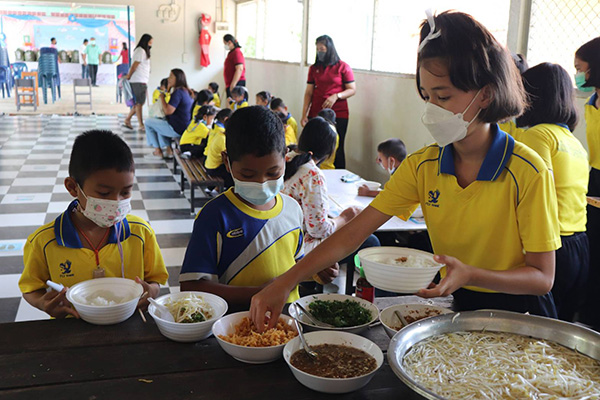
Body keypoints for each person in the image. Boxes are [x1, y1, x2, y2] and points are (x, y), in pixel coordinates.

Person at [250, 11, 562, 331]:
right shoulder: (422, 166)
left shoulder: (527, 170)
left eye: (443, 96)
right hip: (458, 305)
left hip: (520, 314)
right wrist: (285, 282)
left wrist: (472, 274)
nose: (431, 109)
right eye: (427, 97)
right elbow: (354, 233)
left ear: (486, 93)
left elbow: (542, 278)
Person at [178, 106, 327, 311]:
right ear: (227, 162)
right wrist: (258, 293)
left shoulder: (293, 209)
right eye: (248, 175)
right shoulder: (215, 216)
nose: (262, 183)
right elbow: (191, 286)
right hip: (235, 325)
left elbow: (294, 265)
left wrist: (315, 271)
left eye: (273, 173)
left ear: (285, 157)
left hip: (288, 321)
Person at [18, 130, 168, 318]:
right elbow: (31, 289)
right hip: (72, 328)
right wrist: (43, 303)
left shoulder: (140, 233)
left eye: (125, 192)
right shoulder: (44, 242)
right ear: (73, 187)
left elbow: (155, 280)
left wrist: (151, 291)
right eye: (104, 193)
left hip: (128, 324)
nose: (116, 202)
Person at [515, 62, 589, 322]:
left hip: (552, 247)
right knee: (562, 326)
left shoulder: (537, 136)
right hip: (579, 244)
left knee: (541, 329)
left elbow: (531, 192)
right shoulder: (573, 142)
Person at [282, 117, 377, 286]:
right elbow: (318, 230)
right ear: (329, 151)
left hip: (281, 239)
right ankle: (365, 295)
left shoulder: (286, 159)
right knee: (371, 241)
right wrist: (345, 217)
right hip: (298, 248)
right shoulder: (311, 174)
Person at [575, 37, 600, 329]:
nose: (578, 75)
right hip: (594, 176)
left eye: (580, 68)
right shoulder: (592, 100)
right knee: (591, 245)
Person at [301, 35, 356, 169]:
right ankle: (313, 174)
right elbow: (309, 93)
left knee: (336, 147)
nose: (319, 52)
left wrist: (337, 96)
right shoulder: (314, 68)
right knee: (314, 146)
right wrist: (304, 115)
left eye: (322, 49)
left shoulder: (343, 67)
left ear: (329, 49)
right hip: (316, 112)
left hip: (338, 114)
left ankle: (339, 172)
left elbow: (352, 89)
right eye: (317, 49)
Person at [145, 68, 194, 159]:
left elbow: (168, 111)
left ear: (178, 78)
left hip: (177, 128)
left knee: (148, 122)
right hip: (184, 125)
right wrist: (168, 89)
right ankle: (168, 150)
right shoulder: (185, 91)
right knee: (159, 122)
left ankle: (158, 151)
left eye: (171, 76)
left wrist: (162, 98)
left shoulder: (178, 92)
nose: (168, 79)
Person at [124, 34, 153, 131]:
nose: (151, 45)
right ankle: (140, 124)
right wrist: (129, 75)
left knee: (139, 103)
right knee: (139, 103)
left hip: (142, 79)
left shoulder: (143, 51)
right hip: (138, 80)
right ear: (146, 41)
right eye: (150, 42)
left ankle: (128, 119)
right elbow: (134, 65)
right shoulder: (140, 51)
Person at [205, 108, 233, 188]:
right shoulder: (223, 139)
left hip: (210, 164)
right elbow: (229, 156)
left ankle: (213, 188)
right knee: (232, 176)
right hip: (213, 169)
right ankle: (221, 190)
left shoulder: (220, 133)